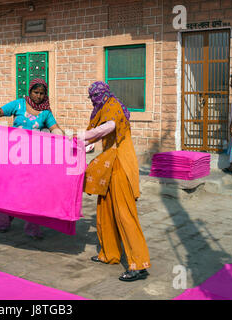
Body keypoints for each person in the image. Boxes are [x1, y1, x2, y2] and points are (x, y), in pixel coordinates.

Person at [77, 81, 150, 282]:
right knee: (105, 211)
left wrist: (80, 137)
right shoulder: (103, 108)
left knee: (125, 214)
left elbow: (108, 127)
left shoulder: (113, 106)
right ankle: (109, 254)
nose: (93, 100)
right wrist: (83, 144)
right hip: (109, 166)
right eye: (92, 97)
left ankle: (139, 264)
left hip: (121, 167)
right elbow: (98, 134)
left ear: (102, 94)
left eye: (94, 96)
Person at [0, 78, 65, 239]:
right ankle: (3, 222)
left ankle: (32, 228)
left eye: (42, 93)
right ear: (29, 92)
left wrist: (64, 138)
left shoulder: (46, 112)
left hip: (33, 158)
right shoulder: (19, 104)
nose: (39, 96)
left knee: (33, 192)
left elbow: (55, 129)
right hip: (12, 155)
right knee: (6, 189)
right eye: (36, 92)